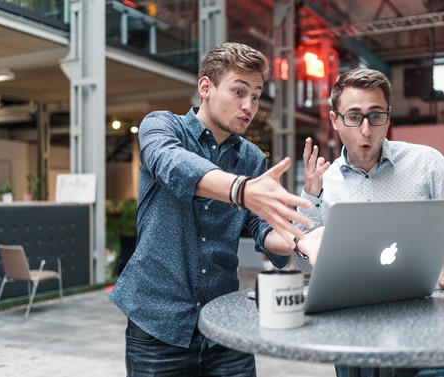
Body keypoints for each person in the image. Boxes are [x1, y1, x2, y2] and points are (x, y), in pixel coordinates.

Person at [109, 42, 316, 377]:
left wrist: (299, 240)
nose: (249, 106)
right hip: (157, 324)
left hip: (224, 325)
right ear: (205, 87)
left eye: (256, 95)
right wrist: (240, 189)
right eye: (238, 91)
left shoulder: (251, 158)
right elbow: (174, 165)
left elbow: (263, 229)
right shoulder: (162, 127)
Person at [294, 68, 444, 377]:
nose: (366, 130)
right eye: (354, 117)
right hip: (353, 339)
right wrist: (312, 197)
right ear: (335, 120)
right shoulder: (322, 182)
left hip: (429, 331)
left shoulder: (426, 163)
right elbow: (302, 263)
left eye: (376, 115)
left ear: (388, 116)